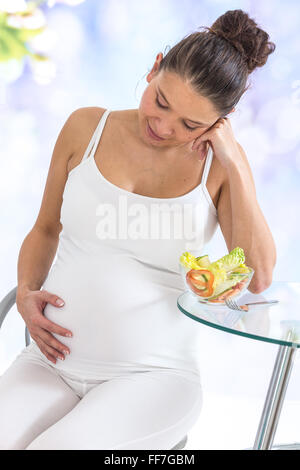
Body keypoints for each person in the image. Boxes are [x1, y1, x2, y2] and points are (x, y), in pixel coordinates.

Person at [0, 9, 277, 450]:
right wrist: (27, 290)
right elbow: (45, 228)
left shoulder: (219, 167)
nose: (163, 127)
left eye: (191, 125)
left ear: (219, 124)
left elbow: (258, 275)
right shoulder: (85, 128)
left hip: (155, 378)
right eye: (162, 101)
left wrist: (235, 162)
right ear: (154, 67)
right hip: (49, 364)